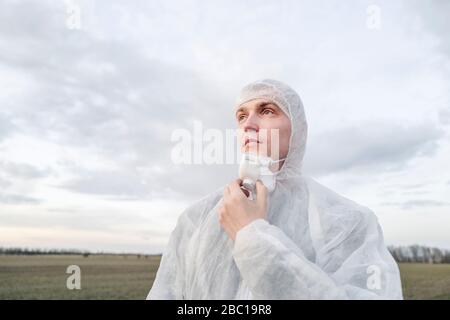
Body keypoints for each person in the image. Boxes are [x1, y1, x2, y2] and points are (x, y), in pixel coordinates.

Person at [147, 79, 403, 299]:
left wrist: (252, 236)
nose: (248, 124)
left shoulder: (349, 223)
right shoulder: (195, 219)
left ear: (297, 129)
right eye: (241, 116)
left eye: (267, 110)